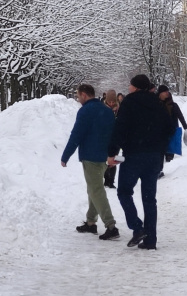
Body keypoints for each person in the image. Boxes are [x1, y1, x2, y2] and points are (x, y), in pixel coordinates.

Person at [108, 74, 173, 250]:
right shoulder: (157, 103)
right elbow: (169, 127)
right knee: (149, 199)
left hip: (133, 155)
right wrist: (159, 145)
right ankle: (151, 240)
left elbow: (120, 128)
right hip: (154, 157)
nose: (129, 87)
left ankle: (137, 228)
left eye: (130, 85)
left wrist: (112, 152)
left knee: (124, 191)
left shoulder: (129, 102)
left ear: (135, 87)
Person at [61, 84, 120, 241]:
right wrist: (113, 154)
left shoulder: (85, 111)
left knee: (96, 190)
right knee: (94, 188)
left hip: (91, 156)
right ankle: (91, 222)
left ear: (84, 95)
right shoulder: (107, 111)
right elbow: (114, 135)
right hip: (104, 157)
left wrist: (65, 156)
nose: (77, 98)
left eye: (78, 95)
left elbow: (76, 135)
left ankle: (111, 226)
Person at [156, 85, 187, 178]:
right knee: (160, 151)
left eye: (168, 92)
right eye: (165, 92)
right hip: (160, 131)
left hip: (171, 130)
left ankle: (167, 162)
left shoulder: (173, 105)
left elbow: (180, 116)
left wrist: (185, 127)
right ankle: (159, 169)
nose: (167, 93)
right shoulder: (156, 104)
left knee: (169, 150)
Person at [103, 90, 120, 188]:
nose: (111, 103)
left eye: (113, 101)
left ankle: (112, 181)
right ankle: (106, 179)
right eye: (109, 101)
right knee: (106, 159)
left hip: (116, 138)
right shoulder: (102, 109)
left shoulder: (119, 109)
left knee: (115, 158)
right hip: (105, 138)